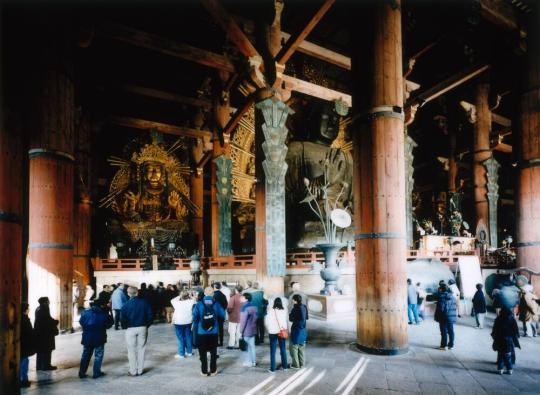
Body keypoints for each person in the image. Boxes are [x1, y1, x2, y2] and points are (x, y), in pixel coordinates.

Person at [192, 287, 225, 376]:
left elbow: (194, 317)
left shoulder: (199, 304)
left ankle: (204, 371)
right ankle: (213, 370)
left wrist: (198, 323)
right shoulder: (216, 304)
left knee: (202, 351)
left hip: (201, 332)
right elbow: (223, 315)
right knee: (213, 351)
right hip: (213, 331)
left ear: (205, 293)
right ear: (213, 293)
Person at [121, 286, 154, 376]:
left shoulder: (125, 305)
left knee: (131, 350)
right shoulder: (145, 303)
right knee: (141, 349)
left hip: (130, 328)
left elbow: (122, 319)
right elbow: (150, 316)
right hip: (143, 327)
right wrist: (147, 325)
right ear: (137, 293)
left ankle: (133, 371)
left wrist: (126, 327)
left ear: (128, 294)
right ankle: (140, 370)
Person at [78, 298, 114, 379]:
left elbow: (81, 322)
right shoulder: (104, 314)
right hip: (99, 337)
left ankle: (82, 372)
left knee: (85, 355)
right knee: (98, 355)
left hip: (87, 337)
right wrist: (110, 311)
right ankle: (96, 373)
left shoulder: (85, 312)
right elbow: (110, 324)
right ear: (102, 305)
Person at [491, 307, 520, 375]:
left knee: (500, 354)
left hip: (500, 339)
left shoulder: (498, 319)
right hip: (509, 339)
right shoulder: (512, 319)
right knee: (508, 355)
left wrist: (494, 336)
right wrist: (516, 336)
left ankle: (500, 369)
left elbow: (495, 328)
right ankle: (509, 369)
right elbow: (515, 329)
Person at [264, 297, 289, 373]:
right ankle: (285, 367)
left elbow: (267, 322)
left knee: (273, 350)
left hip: (272, 332)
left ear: (274, 303)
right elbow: (286, 321)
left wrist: (269, 329)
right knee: (283, 349)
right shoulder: (284, 310)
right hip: (281, 331)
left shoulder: (270, 311)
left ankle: (273, 368)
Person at [34, 296, 59, 370]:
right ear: (45, 302)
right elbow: (47, 321)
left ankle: (39, 366)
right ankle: (46, 366)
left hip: (39, 333)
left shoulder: (38, 308)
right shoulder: (44, 309)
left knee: (40, 350)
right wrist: (55, 322)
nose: (49, 302)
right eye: (48, 301)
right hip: (46, 334)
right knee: (47, 350)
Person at [171, 290, 195, 358]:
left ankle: (181, 354)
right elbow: (194, 299)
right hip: (188, 321)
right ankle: (189, 352)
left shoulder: (176, 303)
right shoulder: (190, 302)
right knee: (188, 336)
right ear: (188, 296)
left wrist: (180, 295)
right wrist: (189, 295)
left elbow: (172, 299)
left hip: (178, 322)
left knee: (180, 338)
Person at [434, 284, 457, 350]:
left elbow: (441, 308)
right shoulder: (452, 296)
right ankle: (451, 345)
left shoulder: (442, 296)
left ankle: (443, 346)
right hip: (451, 316)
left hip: (444, 317)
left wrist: (438, 317)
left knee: (443, 331)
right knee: (451, 331)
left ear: (441, 289)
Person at [289, 294, 308, 369]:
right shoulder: (304, 307)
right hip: (303, 329)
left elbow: (291, 319)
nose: (292, 301)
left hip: (296, 330)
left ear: (295, 300)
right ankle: (302, 364)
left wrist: (291, 314)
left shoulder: (295, 308)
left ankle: (295, 365)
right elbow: (306, 317)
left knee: (294, 348)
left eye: (293, 299)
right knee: (301, 348)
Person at [240, 292, 258, 367]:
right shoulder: (255, 306)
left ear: (246, 299)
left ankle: (248, 362)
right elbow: (256, 317)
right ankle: (253, 361)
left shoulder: (244, 307)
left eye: (242, 297)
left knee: (247, 347)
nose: (241, 298)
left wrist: (241, 331)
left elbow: (243, 321)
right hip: (253, 328)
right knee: (252, 346)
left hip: (246, 330)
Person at [20, 303, 35, 388]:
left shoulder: (21, 317)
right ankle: (24, 380)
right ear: (25, 309)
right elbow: (28, 331)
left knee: (23, 361)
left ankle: (22, 379)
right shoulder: (24, 319)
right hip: (25, 344)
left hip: (22, 343)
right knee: (24, 362)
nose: (29, 309)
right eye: (28, 308)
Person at [227, 285, 244, 349]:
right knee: (239, 332)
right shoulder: (243, 297)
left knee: (232, 331)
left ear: (236, 290)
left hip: (233, 317)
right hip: (241, 317)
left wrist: (229, 312)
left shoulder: (233, 297)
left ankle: (231, 344)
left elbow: (229, 308)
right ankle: (238, 344)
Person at [213, 282, 228, 347]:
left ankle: (216, 342)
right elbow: (226, 304)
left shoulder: (214, 295)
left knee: (215, 328)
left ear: (215, 287)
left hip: (215, 314)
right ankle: (221, 341)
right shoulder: (223, 295)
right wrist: (222, 309)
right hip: (221, 313)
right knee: (221, 328)